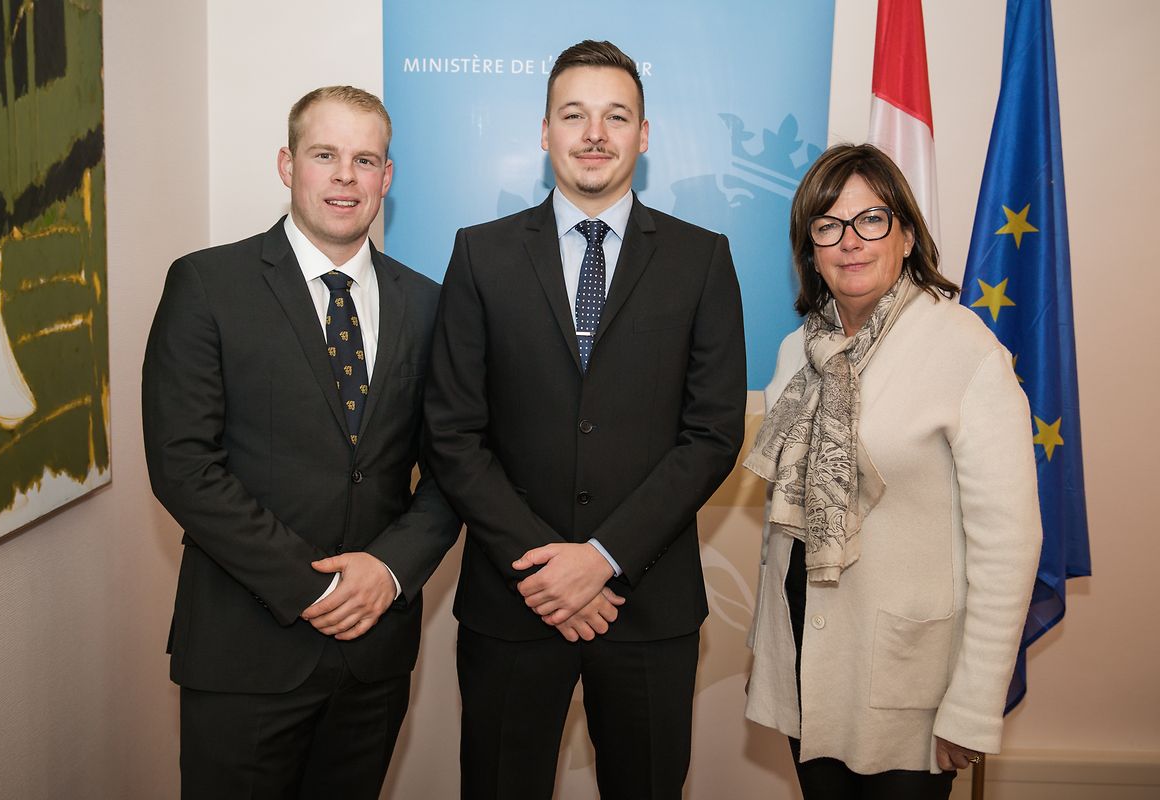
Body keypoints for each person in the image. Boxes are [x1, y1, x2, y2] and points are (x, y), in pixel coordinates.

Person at [424, 39, 746, 800]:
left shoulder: (702, 259)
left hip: (647, 604)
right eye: (574, 114)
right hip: (514, 598)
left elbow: (711, 437)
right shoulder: (481, 255)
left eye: (615, 115)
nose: (594, 133)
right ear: (544, 132)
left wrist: (601, 557)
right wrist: (548, 564)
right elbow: (452, 433)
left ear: (644, 133)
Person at [142, 85, 459, 800]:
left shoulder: (430, 303)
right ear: (288, 165)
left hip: (374, 655)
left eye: (365, 159)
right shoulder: (206, 285)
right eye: (325, 155)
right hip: (243, 653)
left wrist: (388, 569)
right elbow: (183, 467)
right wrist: (314, 585)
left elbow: (452, 469)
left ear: (387, 177)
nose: (346, 176)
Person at [742, 143, 1043, 798]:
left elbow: (1010, 546)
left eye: (871, 220)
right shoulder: (799, 349)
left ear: (906, 235)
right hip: (808, 662)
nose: (850, 242)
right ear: (810, 247)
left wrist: (973, 703)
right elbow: (783, 529)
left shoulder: (964, 348)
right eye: (829, 225)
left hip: (909, 685)